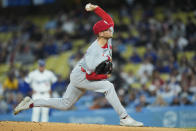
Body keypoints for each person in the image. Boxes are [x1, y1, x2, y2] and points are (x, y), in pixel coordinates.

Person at [14, 3, 143, 127]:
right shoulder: (94, 52)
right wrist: (105, 76)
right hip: (82, 76)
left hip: (81, 72)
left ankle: (31, 103)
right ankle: (124, 118)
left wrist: (95, 8)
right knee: (108, 86)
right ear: (101, 33)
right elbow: (90, 76)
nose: (110, 29)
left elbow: (109, 20)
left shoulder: (107, 37)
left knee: (65, 104)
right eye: (107, 29)